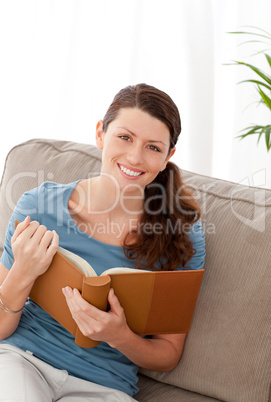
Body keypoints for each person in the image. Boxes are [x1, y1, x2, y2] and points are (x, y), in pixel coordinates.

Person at [0, 83, 205, 401]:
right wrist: (23, 271)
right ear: (100, 134)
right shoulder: (38, 205)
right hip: (22, 362)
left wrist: (119, 336)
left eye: (153, 147)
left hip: (104, 387)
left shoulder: (183, 236)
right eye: (125, 137)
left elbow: (168, 353)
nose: (135, 156)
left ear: (168, 157)